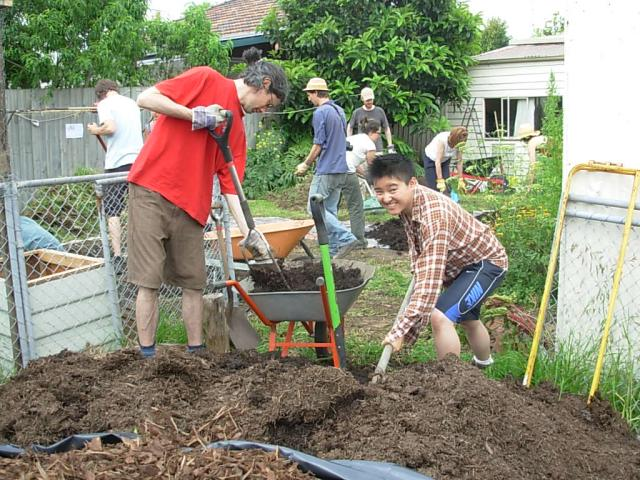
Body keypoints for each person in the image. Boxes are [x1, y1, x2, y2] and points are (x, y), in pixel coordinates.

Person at [127, 48, 289, 358]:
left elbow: (232, 188)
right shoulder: (206, 79)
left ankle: (196, 354)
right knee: (148, 282)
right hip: (151, 190)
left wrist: (249, 232)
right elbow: (146, 98)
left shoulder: (236, 132)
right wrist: (196, 114)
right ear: (264, 84)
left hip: (192, 207)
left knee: (194, 283)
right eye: (269, 104)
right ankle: (147, 357)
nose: (264, 111)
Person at [369, 154, 508, 367]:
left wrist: (401, 331)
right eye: (379, 191)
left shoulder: (434, 216)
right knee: (469, 318)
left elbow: (430, 280)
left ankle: (449, 382)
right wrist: (417, 268)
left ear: (412, 183)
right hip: (460, 266)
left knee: (440, 316)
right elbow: (418, 248)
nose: (386, 197)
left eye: (392, 189)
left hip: (486, 263)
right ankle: (484, 367)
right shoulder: (410, 203)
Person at [295, 77, 359, 258]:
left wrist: (305, 164)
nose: (308, 99)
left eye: (309, 94)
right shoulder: (339, 111)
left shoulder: (321, 112)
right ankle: (331, 253)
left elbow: (319, 144)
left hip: (327, 169)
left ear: (315, 93)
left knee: (313, 208)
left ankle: (346, 237)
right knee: (329, 212)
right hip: (341, 169)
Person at [87, 80, 143, 262]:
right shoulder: (132, 103)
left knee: (113, 211)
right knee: (140, 208)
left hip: (117, 164)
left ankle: (117, 255)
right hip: (139, 162)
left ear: (101, 94)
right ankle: (142, 251)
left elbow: (111, 127)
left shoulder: (105, 104)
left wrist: (96, 129)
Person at [343, 118, 381, 247]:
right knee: (356, 206)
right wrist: (376, 179)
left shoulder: (355, 138)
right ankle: (358, 240)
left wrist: (364, 176)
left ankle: (330, 235)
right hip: (347, 172)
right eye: (379, 133)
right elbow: (372, 164)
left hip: (335, 168)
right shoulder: (370, 144)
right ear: (372, 132)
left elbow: (352, 161)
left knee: (331, 206)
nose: (379, 136)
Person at [422, 126, 468, 195]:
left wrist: (460, 178)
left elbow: (459, 161)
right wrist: (440, 180)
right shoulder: (442, 140)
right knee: (434, 187)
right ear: (453, 139)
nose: (457, 146)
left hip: (445, 160)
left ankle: (448, 200)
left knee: (447, 184)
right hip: (431, 159)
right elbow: (438, 162)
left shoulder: (461, 142)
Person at [347, 87, 393, 153]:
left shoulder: (380, 111)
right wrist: (349, 143)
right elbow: (350, 128)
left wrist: (390, 146)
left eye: (371, 100)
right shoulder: (357, 112)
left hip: (377, 149)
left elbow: (386, 128)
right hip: (361, 149)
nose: (369, 102)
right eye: (367, 100)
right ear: (362, 99)